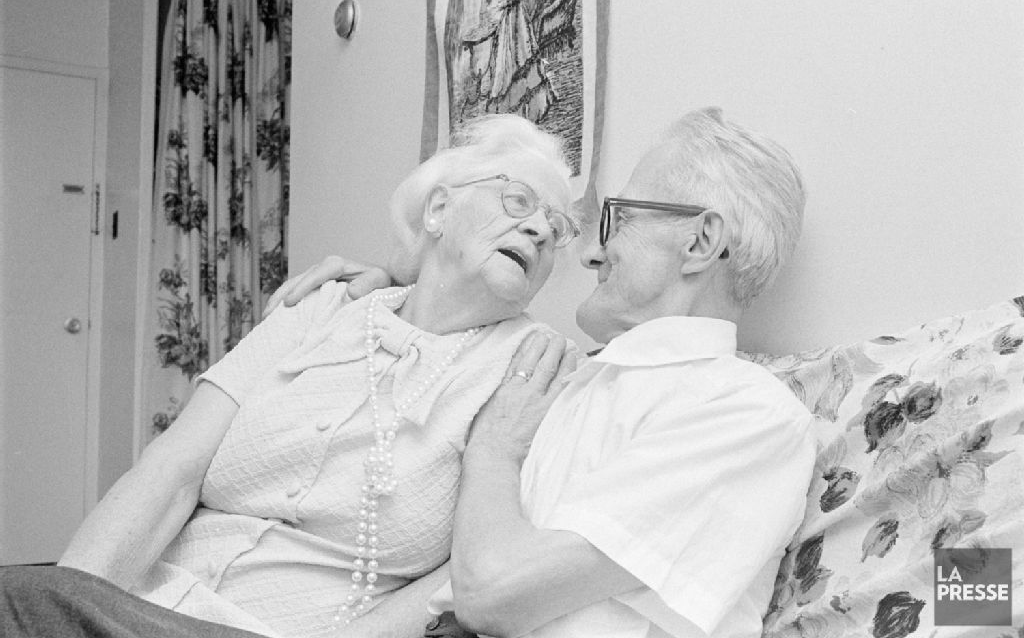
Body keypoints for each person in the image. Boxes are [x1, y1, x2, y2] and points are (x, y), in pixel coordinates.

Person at [0, 114, 579, 638]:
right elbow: (173, 468)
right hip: (139, 606)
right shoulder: (324, 307)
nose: (540, 231)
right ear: (438, 211)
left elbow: (467, 573)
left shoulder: (532, 372)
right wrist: (66, 605)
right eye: (519, 201)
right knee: (18, 597)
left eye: (557, 229)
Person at [268, 107, 816, 638]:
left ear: (699, 242)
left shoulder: (746, 414)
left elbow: (491, 594)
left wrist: (495, 450)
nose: (591, 254)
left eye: (619, 218)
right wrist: (393, 295)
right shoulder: (565, 376)